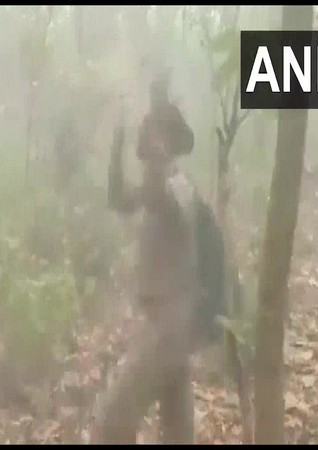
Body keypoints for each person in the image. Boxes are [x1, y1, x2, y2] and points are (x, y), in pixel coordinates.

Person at [98, 73, 199, 444]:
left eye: (156, 139)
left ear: (168, 145)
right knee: (178, 433)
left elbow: (160, 192)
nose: (149, 149)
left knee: (113, 422)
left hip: (169, 329)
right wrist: (118, 138)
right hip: (168, 326)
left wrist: (156, 126)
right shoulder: (158, 186)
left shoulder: (177, 187)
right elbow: (118, 200)